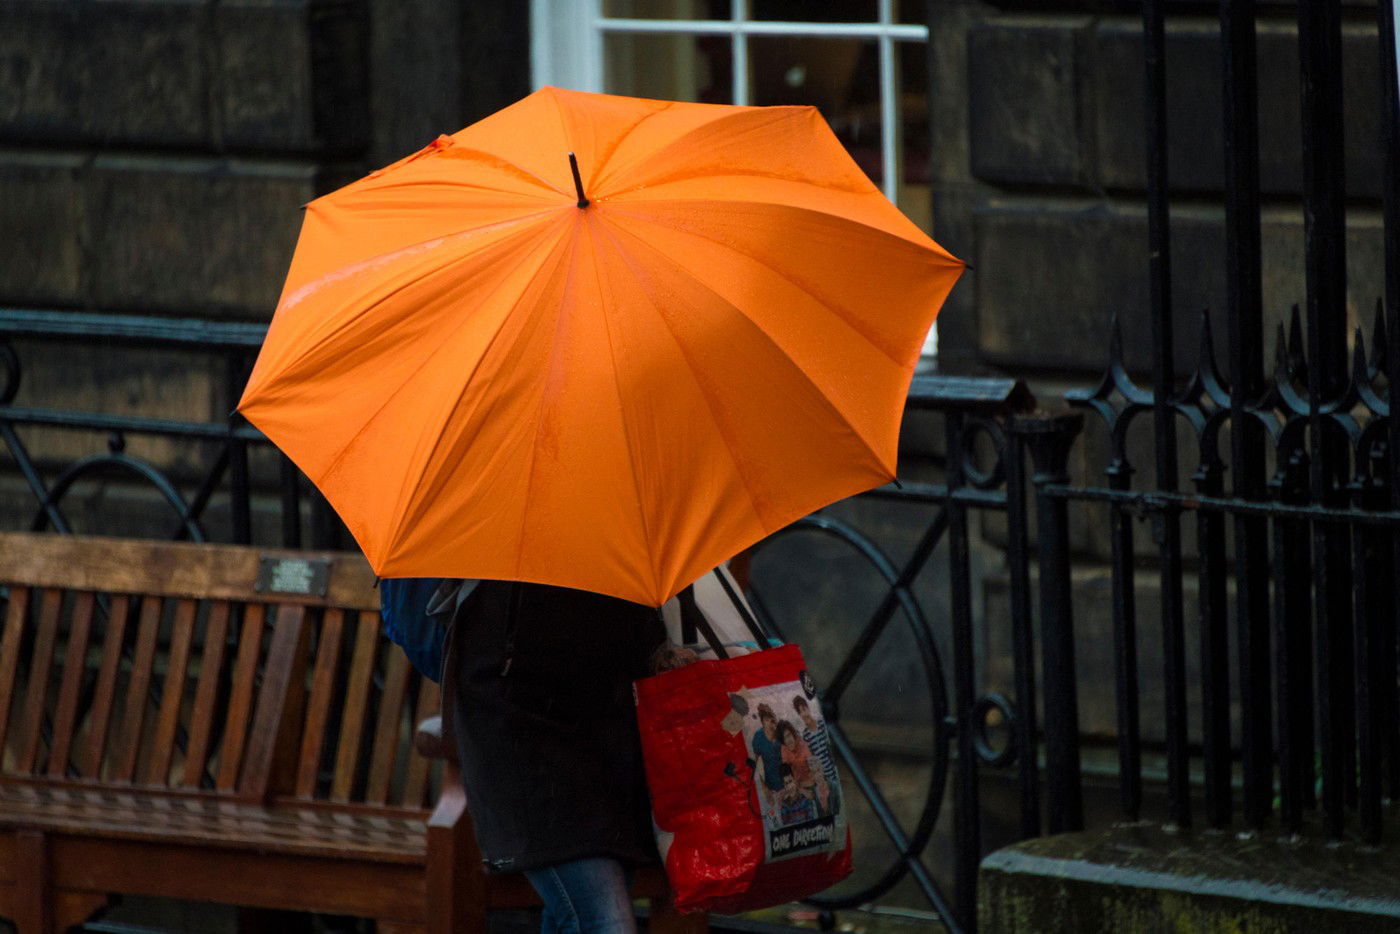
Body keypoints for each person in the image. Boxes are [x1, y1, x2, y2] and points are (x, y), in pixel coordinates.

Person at [443, 578, 666, 934]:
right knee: (602, 919)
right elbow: (420, 635)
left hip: (610, 753)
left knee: (582, 912)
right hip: (520, 745)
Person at [792, 695, 840, 816]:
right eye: (800, 711)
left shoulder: (822, 724)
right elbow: (812, 761)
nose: (804, 713)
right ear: (799, 715)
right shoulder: (806, 736)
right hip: (824, 780)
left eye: (804, 708)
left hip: (836, 773)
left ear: (808, 708)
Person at [749, 703, 785, 821]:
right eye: (767, 719)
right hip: (772, 789)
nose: (771, 721)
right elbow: (751, 767)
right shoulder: (758, 738)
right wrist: (765, 789)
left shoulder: (782, 732)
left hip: (789, 785)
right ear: (763, 721)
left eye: (772, 717)